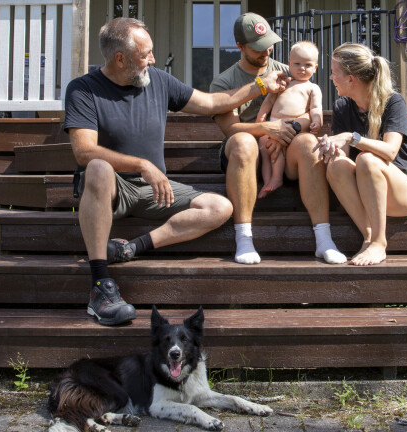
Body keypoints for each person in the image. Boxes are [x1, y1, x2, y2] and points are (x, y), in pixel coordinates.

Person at [65, 17, 288, 326]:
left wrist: (260, 85)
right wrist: (143, 165)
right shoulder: (84, 89)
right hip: (112, 188)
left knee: (220, 207)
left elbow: (212, 102)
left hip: (155, 190)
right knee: (98, 167)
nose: (153, 60)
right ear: (120, 59)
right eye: (145, 54)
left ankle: (131, 248)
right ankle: (100, 285)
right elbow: (83, 151)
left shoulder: (157, 80)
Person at [211, 13, 346, 265]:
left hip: (288, 144)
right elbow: (230, 129)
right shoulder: (224, 82)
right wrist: (268, 129)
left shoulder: (291, 69)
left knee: (308, 143)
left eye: (269, 44)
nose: (266, 52)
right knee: (243, 142)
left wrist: (292, 128)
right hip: (247, 151)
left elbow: (309, 112)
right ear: (240, 47)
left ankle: (324, 239)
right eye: (258, 47)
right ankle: (244, 237)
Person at [314, 43, 407, 266]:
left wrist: (351, 137)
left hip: (404, 189)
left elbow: (391, 151)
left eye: (335, 73)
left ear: (351, 79)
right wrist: (330, 146)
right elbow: (342, 158)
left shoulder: (393, 101)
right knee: (336, 165)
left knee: (367, 159)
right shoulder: (343, 105)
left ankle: (379, 242)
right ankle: (369, 238)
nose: (331, 78)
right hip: (366, 189)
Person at [254, 41, 323, 199]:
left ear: (315, 68)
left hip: (293, 129)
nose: (302, 68)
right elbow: (269, 102)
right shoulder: (283, 83)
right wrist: (261, 117)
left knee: (278, 149)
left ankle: (276, 178)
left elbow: (315, 108)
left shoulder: (312, 88)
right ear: (289, 64)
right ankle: (267, 180)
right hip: (273, 125)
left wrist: (317, 120)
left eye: (307, 65)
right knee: (265, 146)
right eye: (297, 64)